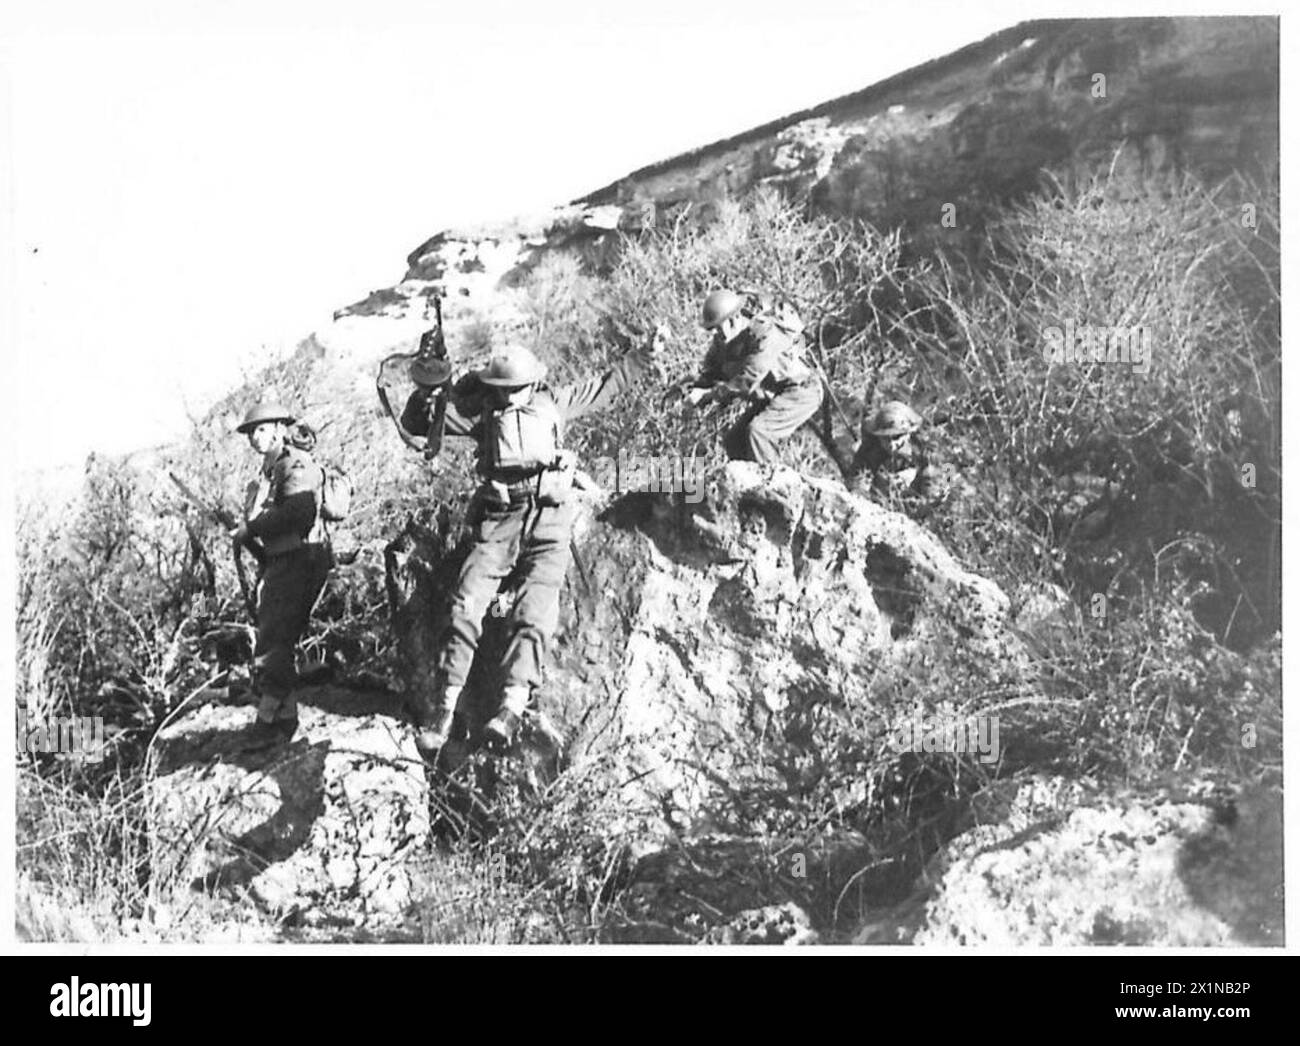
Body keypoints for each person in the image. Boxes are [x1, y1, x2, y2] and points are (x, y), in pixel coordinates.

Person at [400, 330, 662, 756]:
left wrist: (644, 354)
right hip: (498, 520)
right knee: (465, 604)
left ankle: (511, 707)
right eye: (501, 391)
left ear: (533, 384)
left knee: (535, 610)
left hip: (549, 517)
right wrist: (430, 385)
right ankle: (445, 709)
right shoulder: (481, 414)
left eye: (516, 390)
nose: (508, 398)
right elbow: (421, 422)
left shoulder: (553, 403)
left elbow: (607, 385)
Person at [228, 401, 333, 749]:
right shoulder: (270, 470)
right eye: (250, 433)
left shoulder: (294, 463)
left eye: (260, 430)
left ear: (277, 428)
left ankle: (271, 721)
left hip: (301, 559)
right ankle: (281, 718)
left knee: (274, 639)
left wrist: (251, 527)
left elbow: (300, 513)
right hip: (282, 560)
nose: (254, 438)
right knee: (275, 637)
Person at [685, 289, 824, 463]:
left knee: (760, 432)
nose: (716, 334)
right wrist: (690, 389)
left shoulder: (764, 333)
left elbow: (747, 380)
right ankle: (747, 486)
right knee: (734, 441)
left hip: (803, 391)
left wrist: (708, 395)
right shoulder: (722, 344)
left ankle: (772, 487)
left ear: (734, 318)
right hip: (776, 393)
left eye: (719, 327)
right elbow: (710, 374)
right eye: (712, 329)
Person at [850, 401, 945, 510]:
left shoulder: (925, 449)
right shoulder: (871, 448)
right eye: (885, 438)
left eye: (896, 437)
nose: (891, 444)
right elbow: (857, 481)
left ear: (908, 433)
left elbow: (949, 469)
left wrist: (944, 486)